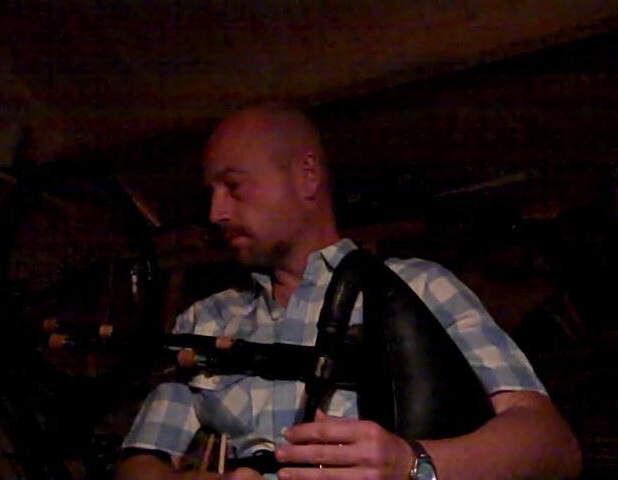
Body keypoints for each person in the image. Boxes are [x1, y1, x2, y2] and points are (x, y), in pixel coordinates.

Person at [115, 104, 581, 480]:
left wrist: (411, 464)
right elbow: (138, 463)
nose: (216, 212)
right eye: (212, 192)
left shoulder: (418, 286)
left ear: (307, 176)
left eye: (234, 187)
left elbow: (553, 445)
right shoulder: (205, 320)